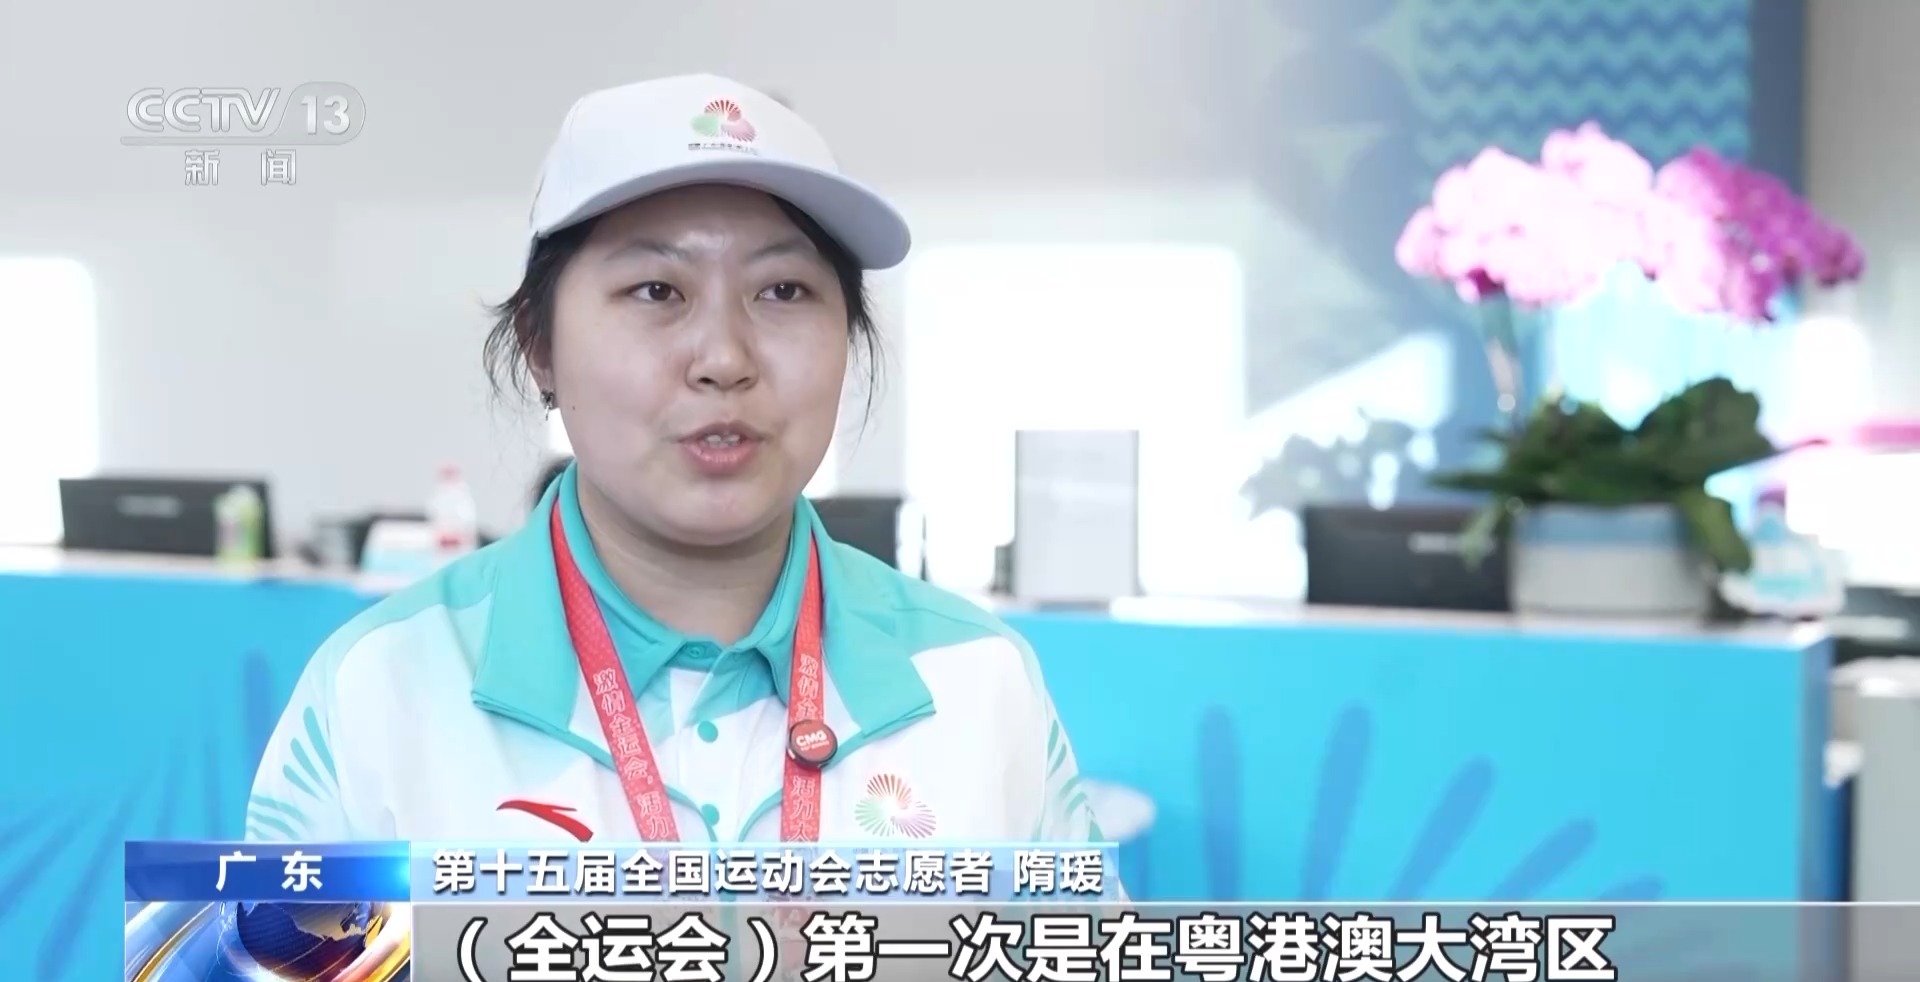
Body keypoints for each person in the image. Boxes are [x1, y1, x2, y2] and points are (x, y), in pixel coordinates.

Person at [246, 74, 1108, 847]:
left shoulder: (979, 682)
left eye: (784, 290)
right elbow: (279, 948)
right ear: (539, 343)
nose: (724, 358)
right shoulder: (381, 691)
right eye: (656, 290)